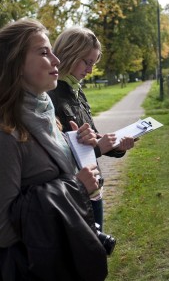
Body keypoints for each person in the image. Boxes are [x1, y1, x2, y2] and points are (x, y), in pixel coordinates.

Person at [0, 18, 107, 280]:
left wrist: (78, 145)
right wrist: (76, 187)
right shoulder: (6, 133)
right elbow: (3, 229)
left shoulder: (46, 114)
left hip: (63, 254)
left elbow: (51, 170)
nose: (56, 60)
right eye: (44, 52)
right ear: (15, 63)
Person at [48, 26, 134, 229]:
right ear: (69, 54)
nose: (90, 70)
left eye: (93, 63)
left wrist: (116, 146)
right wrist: (98, 148)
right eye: (87, 62)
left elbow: (92, 138)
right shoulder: (50, 97)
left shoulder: (77, 92)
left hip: (94, 189)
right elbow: (57, 156)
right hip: (72, 194)